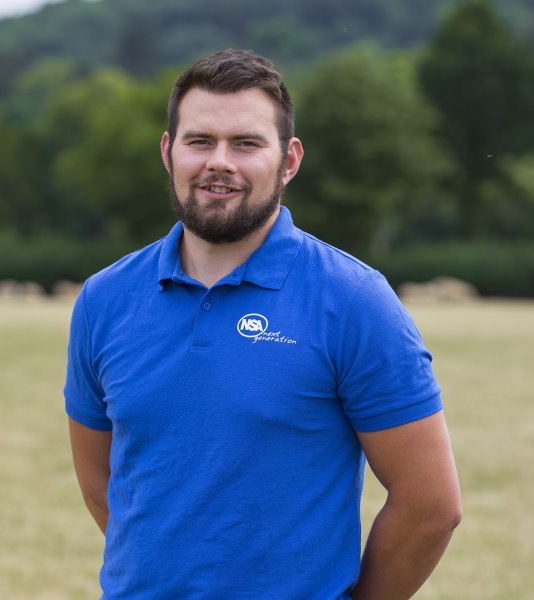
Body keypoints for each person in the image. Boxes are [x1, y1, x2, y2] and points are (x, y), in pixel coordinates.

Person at [64, 48, 461, 600]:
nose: (218, 162)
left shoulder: (353, 299)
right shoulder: (104, 299)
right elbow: (100, 483)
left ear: (289, 160)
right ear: (168, 151)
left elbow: (430, 505)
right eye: (199, 140)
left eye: (246, 143)